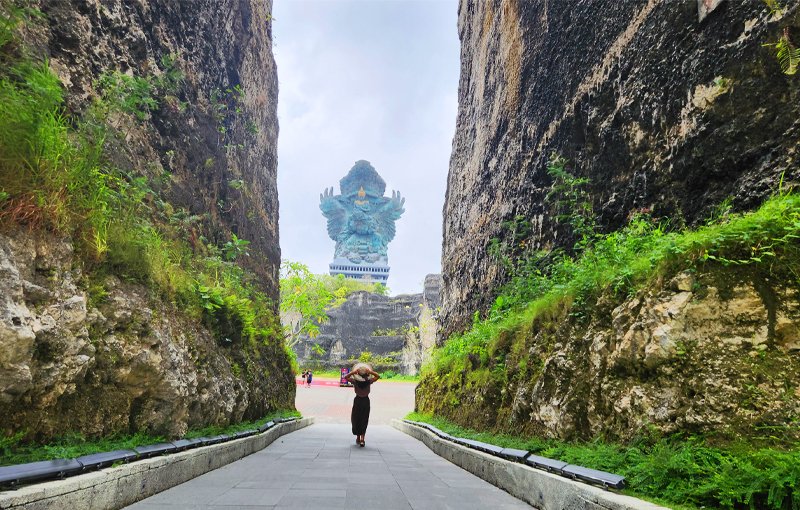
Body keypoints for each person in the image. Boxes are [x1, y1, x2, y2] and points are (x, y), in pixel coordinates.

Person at [343, 363, 380, 447]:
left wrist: (353, 372)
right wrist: (371, 372)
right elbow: (378, 376)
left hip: (358, 400)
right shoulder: (369, 381)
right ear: (367, 374)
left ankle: (361, 438)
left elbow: (346, 377)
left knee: (357, 419)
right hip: (365, 401)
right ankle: (360, 438)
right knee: (362, 419)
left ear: (358, 374)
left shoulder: (356, 381)